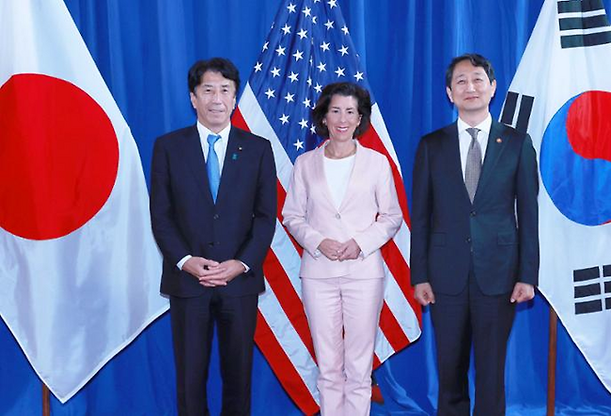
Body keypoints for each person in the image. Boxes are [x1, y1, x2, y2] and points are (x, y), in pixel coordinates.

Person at [411, 53, 539, 416]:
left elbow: (529, 214)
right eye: (461, 81)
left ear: (492, 88)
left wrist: (527, 276)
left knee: (491, 371)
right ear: (450, 93)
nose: (471, 87)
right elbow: (420, 216)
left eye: (478, 79)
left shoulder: (516, 143)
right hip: (444, 275)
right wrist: (419, 274)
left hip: (499, 275)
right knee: (449, 370)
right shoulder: (431, 145)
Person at [150, 57, 277, 416]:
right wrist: (186, 262)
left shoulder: (258, 149)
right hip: (188, 283)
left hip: (239, 283)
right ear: (193, 98)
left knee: (238, 377)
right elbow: (161, 215)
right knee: (190, 379)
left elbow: (266, 217)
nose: (216, 99)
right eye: (208, 90)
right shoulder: (168, 147)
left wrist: (241, 263)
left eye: (225, 90)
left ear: (235, 97)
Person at [282, 82, 403, 415]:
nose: (342, 118)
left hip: (363, 273)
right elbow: (291, 216)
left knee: (359, 365)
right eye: (335, 110)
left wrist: (359, 244)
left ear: (360, 117)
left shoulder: (377, 164)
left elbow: (391, 217)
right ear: (323, 116)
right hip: (318, 273)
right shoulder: (305, 164)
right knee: (329, 364)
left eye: (351, 111)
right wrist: (319, 241)